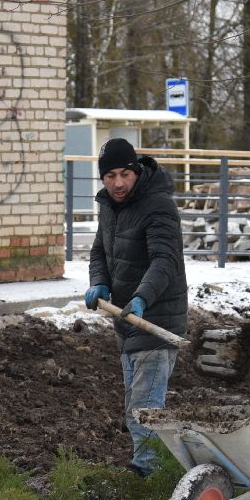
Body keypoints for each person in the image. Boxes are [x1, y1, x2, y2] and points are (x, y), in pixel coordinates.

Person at [84, 137, 189, 476]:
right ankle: (151, 469)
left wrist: (142, 297)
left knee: (145, 409)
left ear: (136, 171)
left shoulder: (158, 205)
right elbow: (100, 250)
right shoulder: (110, 207)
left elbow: (165, 260)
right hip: (127, 321)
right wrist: (98, 281)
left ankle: (148, 474)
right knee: (136, 407)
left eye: (124, 174)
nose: (117, 183)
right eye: (109, 175)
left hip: (156, 320)